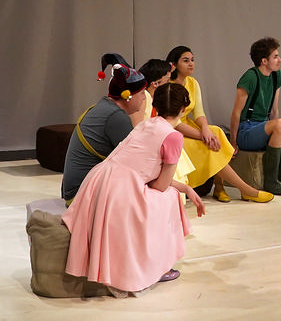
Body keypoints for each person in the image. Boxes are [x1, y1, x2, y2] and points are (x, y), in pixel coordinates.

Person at [62, 82, 206, 295]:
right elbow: (161, 185)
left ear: (155, 105)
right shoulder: (173, 136)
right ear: (184, 109)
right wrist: (183, 189)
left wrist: (186, 188)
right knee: (170, 197)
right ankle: (158, 266)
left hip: (99, 180)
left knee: (170, 193)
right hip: (122, 190)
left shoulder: (146, 125)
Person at [166, 45, 273, 203]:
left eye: (193, 60)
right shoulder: (167, 85)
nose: (191, 64)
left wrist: (205, 129)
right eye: (186, 60)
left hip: (188, 124)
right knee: (208, 145)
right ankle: (245, 190)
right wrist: (202, 135)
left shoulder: (193, 83)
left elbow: (199, 113)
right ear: (174, 64)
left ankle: (219, 186)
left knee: (216, 132)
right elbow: (174, 122)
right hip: (173, 130)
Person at [62, 53, 147, 203]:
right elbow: (136, 161)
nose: (144, 98)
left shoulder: (104, 107)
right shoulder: (116, 116)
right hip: (82, 197)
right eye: (141, 93)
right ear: (128, 96)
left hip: (77, 191)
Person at [230, 37, 281, 196]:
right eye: (275, 57)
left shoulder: (277, 76)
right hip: (246, 129)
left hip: (263, 126)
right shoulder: (250, 77)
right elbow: (236, 113)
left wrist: (279, 130)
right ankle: (271, 181)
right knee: (280, 123)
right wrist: (233, 142)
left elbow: (274, 109)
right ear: (264, 61)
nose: (280, 60)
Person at [138, 58, 195, 186]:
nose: (170, 84)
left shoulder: (154, 99)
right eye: (168, 81)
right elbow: (138, 129)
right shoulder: (144, 98)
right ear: (155, 83)